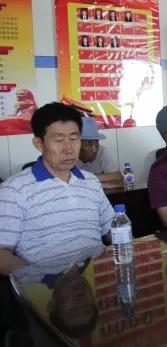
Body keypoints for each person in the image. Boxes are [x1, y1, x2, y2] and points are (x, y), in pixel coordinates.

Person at [0, 102, 115, 275]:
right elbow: (2, 254)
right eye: (59, 140)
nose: (69, 149)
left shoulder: (91, 182)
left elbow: (114, 229)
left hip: (97, 278)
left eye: (74, 139)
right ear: (38, 143)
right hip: (46, 285)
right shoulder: (14, 190)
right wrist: (42, 278)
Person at [77, 116, 122, 189]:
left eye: (96, 142)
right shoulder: (69, 157)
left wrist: (86, 179)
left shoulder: (101, 151)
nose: (94, 149)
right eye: (88, 143)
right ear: (77, 144)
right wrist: (104, 182)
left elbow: (118, 177)